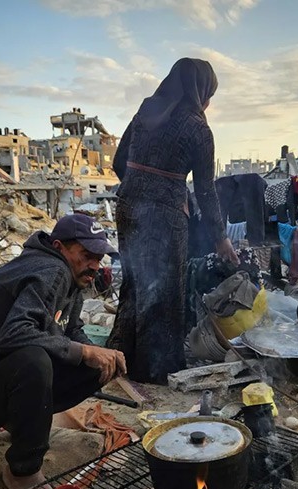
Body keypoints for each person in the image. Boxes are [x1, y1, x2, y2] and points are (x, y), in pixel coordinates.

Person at [0, 214, 126, 489]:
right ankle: (21, 471)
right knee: (33, 359)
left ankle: (20, 422)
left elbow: (70, 329)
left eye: (98, 258)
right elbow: (15, 334)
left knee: (94, 364)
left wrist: (95, 352)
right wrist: (85, 352)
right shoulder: (52, 270)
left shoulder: (72, 278)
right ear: (59, 247)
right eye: (87, 255)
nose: (94, 265)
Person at [108, 57, 238, 385]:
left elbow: (118, 161)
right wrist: (221, 238)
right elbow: (206, 191)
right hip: (165, 214)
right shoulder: (197, 127)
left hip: (127, 207)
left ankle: (119, 358)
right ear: (201, 92)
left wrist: (138, 186)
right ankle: (155, 371)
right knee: (165, 292)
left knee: (135, 283)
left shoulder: (146, 111)